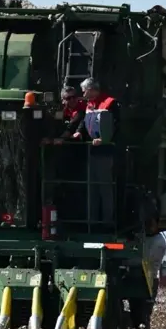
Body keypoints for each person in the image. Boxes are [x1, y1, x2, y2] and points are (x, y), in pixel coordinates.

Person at [73, 78, 120, 226]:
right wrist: (79, 132)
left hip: (104, 152)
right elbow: (84, 121)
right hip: (92, 151)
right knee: (92, 188)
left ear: (92, 89)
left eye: (84, 90)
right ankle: (92, 221)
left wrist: (104, 139)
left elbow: (117, 125)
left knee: (104, 188)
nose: (83, 93)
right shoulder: (90, 104)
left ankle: (107, 221)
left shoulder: (110, 103)